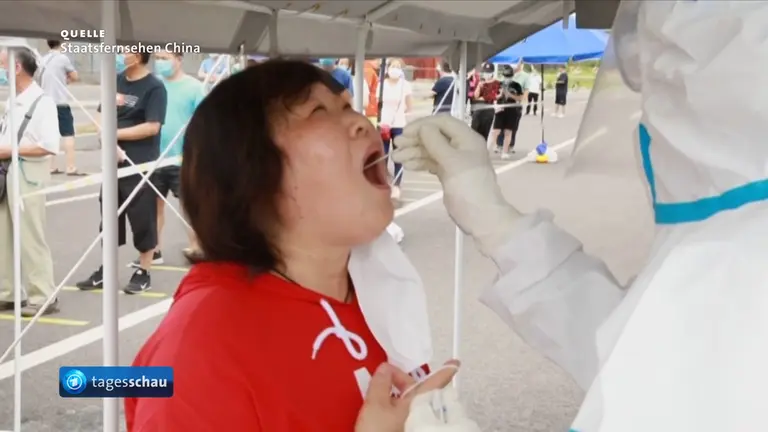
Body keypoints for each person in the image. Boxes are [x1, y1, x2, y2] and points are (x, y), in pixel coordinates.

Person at [394, 1, 768, 430]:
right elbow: (642, 347)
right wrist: (495, 222)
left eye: (662, 89)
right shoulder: (734, 249)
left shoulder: (740, 257)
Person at [124, 59, 438, 432]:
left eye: (347, 106)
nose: (361, 122)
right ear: (251, 172)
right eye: (318, 111)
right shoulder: (202, 351)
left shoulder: (380, 288)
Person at [76, 49, 167, 294]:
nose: (119, 55)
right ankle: (106, 270)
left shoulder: (154, 88)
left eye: (124, 51)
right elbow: (101, 114)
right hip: (112, 162)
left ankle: (144, 271)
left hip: (138, 163)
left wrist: (115, 135)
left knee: (142, 217)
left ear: (138, 56)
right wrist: (105, 136)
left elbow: (152, 127)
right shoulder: (115, 80)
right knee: (109, 215)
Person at [126, 50, 203, 268]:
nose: (160, 63)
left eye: (165, 58)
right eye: (157, 58)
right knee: (152, 208)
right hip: (153, 158)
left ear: (179, 60)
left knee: (189, 207)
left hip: (182, 159)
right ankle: (154, 250)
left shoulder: (195, 87)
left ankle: (197, 249)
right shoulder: (153, 86)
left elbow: (204, 121)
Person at [0, 47, 60, 316]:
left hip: (27, 174)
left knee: (31, 235)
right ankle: (8, 292)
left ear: (16, 68)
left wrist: (9, 150)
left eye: (2, 64)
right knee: (4, 235)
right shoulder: (13, 100)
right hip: (7, 171)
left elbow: (49, 145)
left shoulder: (42, 102)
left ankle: (42, 295)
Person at [40, 40, 83, 176]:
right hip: (60, 102)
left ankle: (51, 166)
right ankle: (70, 166)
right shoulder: (62, 58)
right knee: (68, 133)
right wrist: (66, 79)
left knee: (50, 134)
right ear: (61, 43)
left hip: (46, 103)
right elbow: (75, 76)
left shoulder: (43, 59)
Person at [379, 58, 412, 200]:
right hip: (384, 125)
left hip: (399, 124)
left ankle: (397, 184)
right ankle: (384, 182)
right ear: (387, 68)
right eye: (393, 66)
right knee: (383, 155)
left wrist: (401, 112)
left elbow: (409, 105)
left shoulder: (405, 85)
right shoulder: (382, 84)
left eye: (398, 67)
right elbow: (377, 103)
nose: (395, 69)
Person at [490, 65, 524, 159]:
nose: (507, 78)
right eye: (505, 76)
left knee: (508, 131)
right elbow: (493, 96)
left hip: (512, 110)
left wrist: (510, 95)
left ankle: (505, 151)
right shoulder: (498, 84)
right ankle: (492, 148)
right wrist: (500, 95)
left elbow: (520, 98)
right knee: (496, 131)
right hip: (500, 109)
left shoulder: (516, 85)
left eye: (508, 76)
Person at [470, 63, 499, 143]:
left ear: (492, 72)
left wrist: (482, 98)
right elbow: (475, 96)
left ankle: (482, 149)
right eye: (485, 72)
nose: (487, 74)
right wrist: (479, 86)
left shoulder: (496, 83)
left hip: (488, 110)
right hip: (478, 110)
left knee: (484, 134)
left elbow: (491, 97)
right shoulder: (481, 82)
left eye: (489, 72)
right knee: (474, 132)